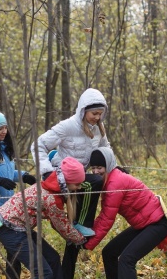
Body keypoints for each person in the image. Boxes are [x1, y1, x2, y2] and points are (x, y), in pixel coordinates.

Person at [31, 88, 111, 278]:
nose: (97, 117)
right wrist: (47, 171)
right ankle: (80, 224)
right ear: (83, 110)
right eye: (94, 113)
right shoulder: (67, 126)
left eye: (100, 114)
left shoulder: (98, 128)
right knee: (94, 183)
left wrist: (114, 167)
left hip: (79, 177)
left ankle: (68, 264)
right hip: (63, 177)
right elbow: (38, 145)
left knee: (73, 240)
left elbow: (106, 148)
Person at [0, 157, 87, 279]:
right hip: (10, 231)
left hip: (21, 229)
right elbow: (61, 225)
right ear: (67, 181)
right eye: (77, 184)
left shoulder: (49, 187)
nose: (78, 188)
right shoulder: (52, 198)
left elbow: (57, 221)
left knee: (53, 259)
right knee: (43, 273)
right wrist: (81, 240)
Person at [84, 147, 167, 279]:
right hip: (144, 224)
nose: (95, 171)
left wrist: (86, 243)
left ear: (108, 166)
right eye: (93, 167)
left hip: (158, 223)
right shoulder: (109, 180)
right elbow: (103, 216)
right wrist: (86, 233)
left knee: (127, 260)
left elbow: (107, 219)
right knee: (109, 252)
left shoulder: (114, 184)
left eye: (100, 167)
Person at [0, 111, 36, 279]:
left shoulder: (4, 147)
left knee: (14, 250)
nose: (4, 131)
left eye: (5, 127)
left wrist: (24, 175)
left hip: (9, 208)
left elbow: (7, 172)